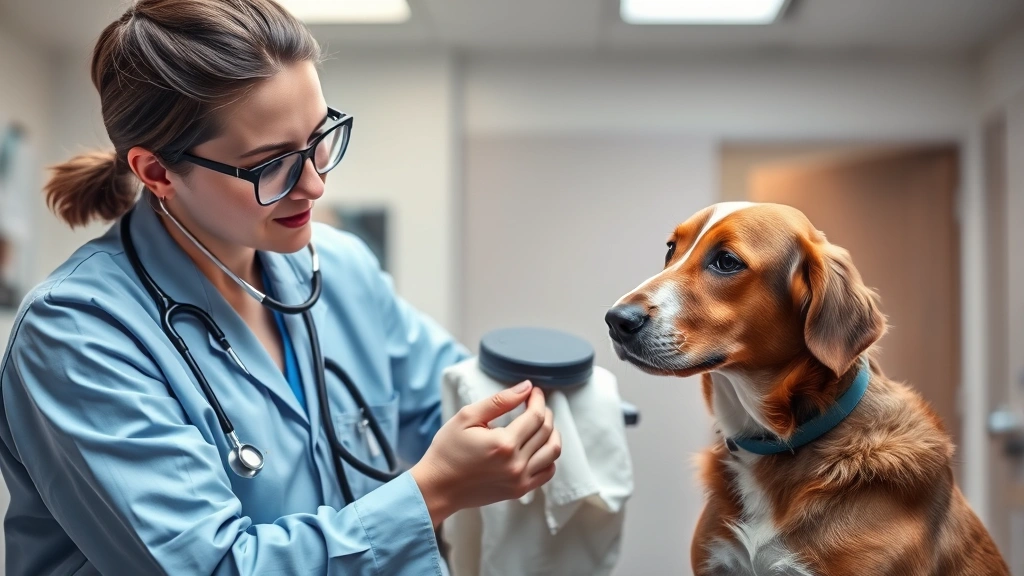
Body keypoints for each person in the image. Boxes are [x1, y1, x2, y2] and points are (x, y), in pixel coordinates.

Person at [0, 1, 561, 574]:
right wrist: (432, 490)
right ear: (157, 172)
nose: (314, 185)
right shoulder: (76, 335)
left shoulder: (339, 268)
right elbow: (215, 565)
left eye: (319, 139)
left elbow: (452, 397)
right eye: (271, 163)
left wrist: (559, 402)